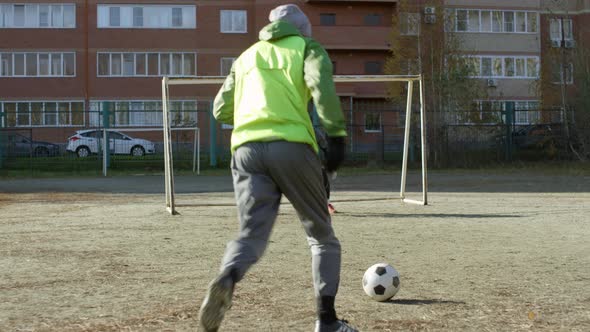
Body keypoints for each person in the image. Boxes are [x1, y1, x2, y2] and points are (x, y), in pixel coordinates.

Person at [198, 4, 357, 332]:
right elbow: (321, 88)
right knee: (322, 236)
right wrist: (337, 136)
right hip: (292, 146)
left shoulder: (245, 57)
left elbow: (220, 110)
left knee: (251, 235)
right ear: (303, 30)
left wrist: (253, 115)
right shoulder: (307, 48)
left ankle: (227, 276)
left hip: (245, 151)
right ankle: (327, 322)